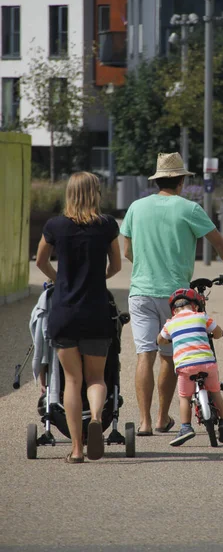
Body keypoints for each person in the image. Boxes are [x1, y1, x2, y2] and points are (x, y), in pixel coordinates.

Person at [120, 152, 223, 437]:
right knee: (167, 357)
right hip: (174, 297)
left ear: (158, 180)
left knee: (144, 354)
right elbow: (221, 244)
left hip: (140, 292)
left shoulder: (136, 207)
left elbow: (127, 251)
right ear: (181, 182)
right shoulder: (189, 209)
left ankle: (145, 423)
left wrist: (146, 266)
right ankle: (163, 418)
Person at [36, 172, 121, 463]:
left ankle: (75, 449)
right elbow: (117, 266)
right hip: (96, 310)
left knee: (72, 380)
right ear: (95, 193)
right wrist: (99, 277)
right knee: (96, 377)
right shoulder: (107, 225)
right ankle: (96, 418)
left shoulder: (54, 226)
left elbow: (40, 261)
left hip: (64, 312)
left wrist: (59, 279)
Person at [157, 288, 223, 446]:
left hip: (185, 367)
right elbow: (216, 333)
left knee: (185, 397)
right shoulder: (201, 316)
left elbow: (160, 340)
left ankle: (186, 427)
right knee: (216, 391)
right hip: (207, 363)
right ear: (195, 306)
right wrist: (221, 333)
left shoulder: (171, 323)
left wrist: (167, 339)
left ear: (174, 310)